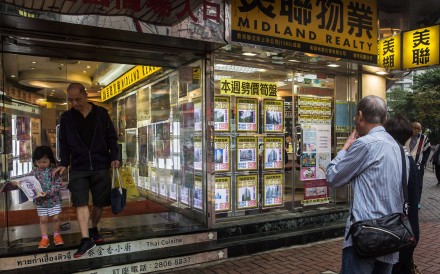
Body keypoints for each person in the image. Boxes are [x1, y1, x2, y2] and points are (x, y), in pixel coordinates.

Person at [326, 95, 407, 274]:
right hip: (392, 235)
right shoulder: (398, 148)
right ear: (384, 118)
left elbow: (333, 177)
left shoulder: (364, 144)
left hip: (364, 236)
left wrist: (345, 147)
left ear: (360, 116)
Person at [53, 83, 119, 258]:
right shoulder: (66, 118)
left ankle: (92, 229)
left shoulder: (101, 114)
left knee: (99, 204)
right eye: (71, 100)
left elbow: (112, 137)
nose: (74, 103)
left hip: (100, 165)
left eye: (78, 99)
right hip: (79, 167)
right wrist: (64, 163)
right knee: (80, 202)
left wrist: (115, 157)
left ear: (86, 95)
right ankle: (85, 239)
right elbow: (64, 143)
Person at [384, 115, 420, 274]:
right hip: (409, 229)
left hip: (393, 231)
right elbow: (414, 197)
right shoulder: (409, 161)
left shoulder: (392, 160)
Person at [17, 146, 64, 249]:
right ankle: (44, 238)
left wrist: (49, 192)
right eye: (38, 162)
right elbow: (26, 180)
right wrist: (17, 182)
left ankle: (57, 235)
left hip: (54, 199)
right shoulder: (34, 172)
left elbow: (59, 183)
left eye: (44, 162)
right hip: (41, 201)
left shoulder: (55, 170)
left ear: (50, 160)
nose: (41, 164)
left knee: (56, 217)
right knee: (43, 219)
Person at [405, 122, 430, 208]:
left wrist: (423, 162)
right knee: (406, 182)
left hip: (418, 165)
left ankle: (417, 201)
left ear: (420, 129)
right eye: (414, 128)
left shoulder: (424, 138)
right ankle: (406, 200)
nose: (416, 130)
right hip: (406, 164)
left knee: (418, 184)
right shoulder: (406, 136)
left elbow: (427, 151)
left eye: (418, 129)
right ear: (411, 128)